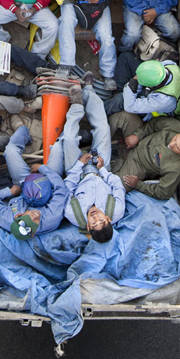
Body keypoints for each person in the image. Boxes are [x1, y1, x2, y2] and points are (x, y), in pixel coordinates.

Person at [47, 75, 125, 242]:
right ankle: (89, 90)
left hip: (77, 171)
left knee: (69, 139)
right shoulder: (117, 210)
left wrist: (78, 165)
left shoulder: (72, 214)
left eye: (94, 223)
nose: (96, 217)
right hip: (100, 169)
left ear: (88, 227)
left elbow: (66, 188)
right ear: (108, 219)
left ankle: (76, 105)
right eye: (101, 220)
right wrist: (102, 169)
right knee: (103, 128)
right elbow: (117, 185)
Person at [0, 126, 69, 240]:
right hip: (49, 184)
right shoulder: (51, 218)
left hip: (24, 184)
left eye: (30, 217)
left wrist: (10, 191)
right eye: (35, 222)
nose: (35, 216)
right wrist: (43, 169)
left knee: (11, 151)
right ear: (34, 233)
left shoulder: (7, 219)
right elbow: (61, 189)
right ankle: (66, 130)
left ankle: (25, 132)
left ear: (18, 215)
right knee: (57, 148)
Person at [57, 0, 123, 90]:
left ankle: (108, 74)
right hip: (73, 0)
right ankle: (66, 64)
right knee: (66, 22)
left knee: (106, 35)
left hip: (98, 2)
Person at [111, 116, 180, 200]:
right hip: (141, 138)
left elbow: (163, 192)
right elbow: (155, 123)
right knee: (126, 117)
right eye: (175, 139)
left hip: (138, 164)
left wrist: (138, 184)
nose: (172, 144)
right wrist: (138, 135)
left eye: (177, 147)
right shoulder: (176, 126)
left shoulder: (177, 169)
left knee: (117, 185)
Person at [104, 55, 180, 122]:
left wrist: (133, 83)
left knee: (121, 99)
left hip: (152, 111)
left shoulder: (164, 99)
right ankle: (121, 92)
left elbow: (129, 106)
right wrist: (140, 76)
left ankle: (102, 111)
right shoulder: (168, 64)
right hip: (153, 91)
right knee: (125, 58)